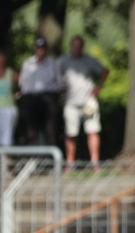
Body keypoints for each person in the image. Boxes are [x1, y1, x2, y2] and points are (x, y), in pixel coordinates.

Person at [58, 36, 108, 166]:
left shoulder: (89, 60)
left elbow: (104, 71)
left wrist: (99, 87)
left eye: (79, 46)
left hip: (88, 103)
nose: (76, 49)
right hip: (71, 103)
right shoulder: (63, 61)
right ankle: (70, 163)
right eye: (74, 46)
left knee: (92, 130)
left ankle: (95, 162)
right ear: (70, 46)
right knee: (70, 133)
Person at [19, 37, 62, 146]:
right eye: (38, 48)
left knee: (50, 129)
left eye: (42, 48)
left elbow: (60, 83)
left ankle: (50, 159)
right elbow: (22, 83)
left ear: (46, 49)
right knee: (31, 129)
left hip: (48, 98)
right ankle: (32, 158)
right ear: (35, 49)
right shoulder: (28, 63)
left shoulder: (53, 64)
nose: (40, 50)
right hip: (31, 98)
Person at [0, 50, 18, 147]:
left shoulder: (10, 73)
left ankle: (7, 161)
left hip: (8, 109)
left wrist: (16, 96)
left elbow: (24, 85)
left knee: (7, 138)